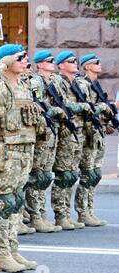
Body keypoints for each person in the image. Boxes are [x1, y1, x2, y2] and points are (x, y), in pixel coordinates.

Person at [0, 44, 39, 272]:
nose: (26, 61)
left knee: (15, 201)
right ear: (6, 62)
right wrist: (1, 63)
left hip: (24, 147)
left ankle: (14, 249)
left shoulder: (23, 85)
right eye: (20, 57)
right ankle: (2, 255)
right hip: (5, 149)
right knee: (3, 202)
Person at [49, 51, 91, 230]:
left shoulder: (77, 83)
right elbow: (61, 105)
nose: (75, 63)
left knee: (71, 174)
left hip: (77, 132)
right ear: (62, 65)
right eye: (71, 61)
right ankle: (60, 215)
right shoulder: (57, 82)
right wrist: (81, 107)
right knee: (64, 174)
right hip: (65, 132)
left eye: (75, 61)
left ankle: (67, 213)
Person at [25, 50, 65, 233]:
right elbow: (37, 106)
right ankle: (36, 217)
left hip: (52, 132)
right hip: (42, 133)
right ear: (40, 64)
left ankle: (42, 215)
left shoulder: (54, 81)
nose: (52, 63)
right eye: (48, 61)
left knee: (45, 176)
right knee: (38, 176)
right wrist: (52, 111)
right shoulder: (36, 82)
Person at [74, 54, 114, 226]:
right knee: (87, 174)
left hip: (97, 134)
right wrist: (107, 107)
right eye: (96, 63)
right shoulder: (82, 85)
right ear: (88, 66)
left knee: (95, 174)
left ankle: (89, 210)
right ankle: (83, 212)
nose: (100, 65)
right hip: (87, 135)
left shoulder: (94, 84)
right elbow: (87, 109)